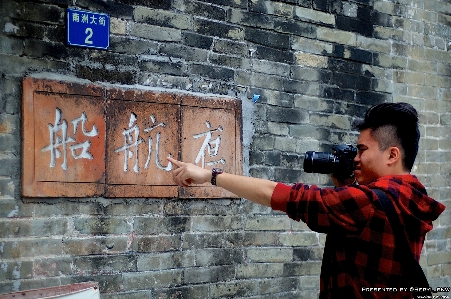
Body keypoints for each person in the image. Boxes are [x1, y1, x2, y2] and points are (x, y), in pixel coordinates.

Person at [167, 102, 445, 299]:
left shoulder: (368, 202)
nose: (356, 158)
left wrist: (210, 175)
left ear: (392, 155)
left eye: (362, 150)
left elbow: (286, 197)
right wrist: (347, 186)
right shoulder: (411, 196)